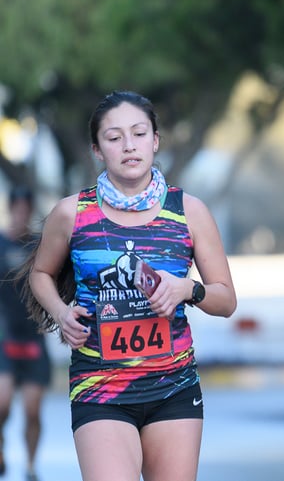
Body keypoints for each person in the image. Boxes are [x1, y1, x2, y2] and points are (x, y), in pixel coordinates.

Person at [21, 91, 237, 481]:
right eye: (114, 137)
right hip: (99, 386)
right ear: (97, 150)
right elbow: (40, 273)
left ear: (155, 141)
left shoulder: (188, 211)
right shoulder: (72, 213)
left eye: (138, 134)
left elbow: (225, 300)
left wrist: (187, 289)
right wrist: (61, 311)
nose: (129, 146)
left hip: (173, 386)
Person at [0, 186, 50, 481]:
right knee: (2, 404)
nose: (22, 214)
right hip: (5, 337)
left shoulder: (39, 248)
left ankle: (31, 466)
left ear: (30, 210)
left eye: (26, 209)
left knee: (32, 410)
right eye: (16, 208)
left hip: (34, 338)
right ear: (10, 209)